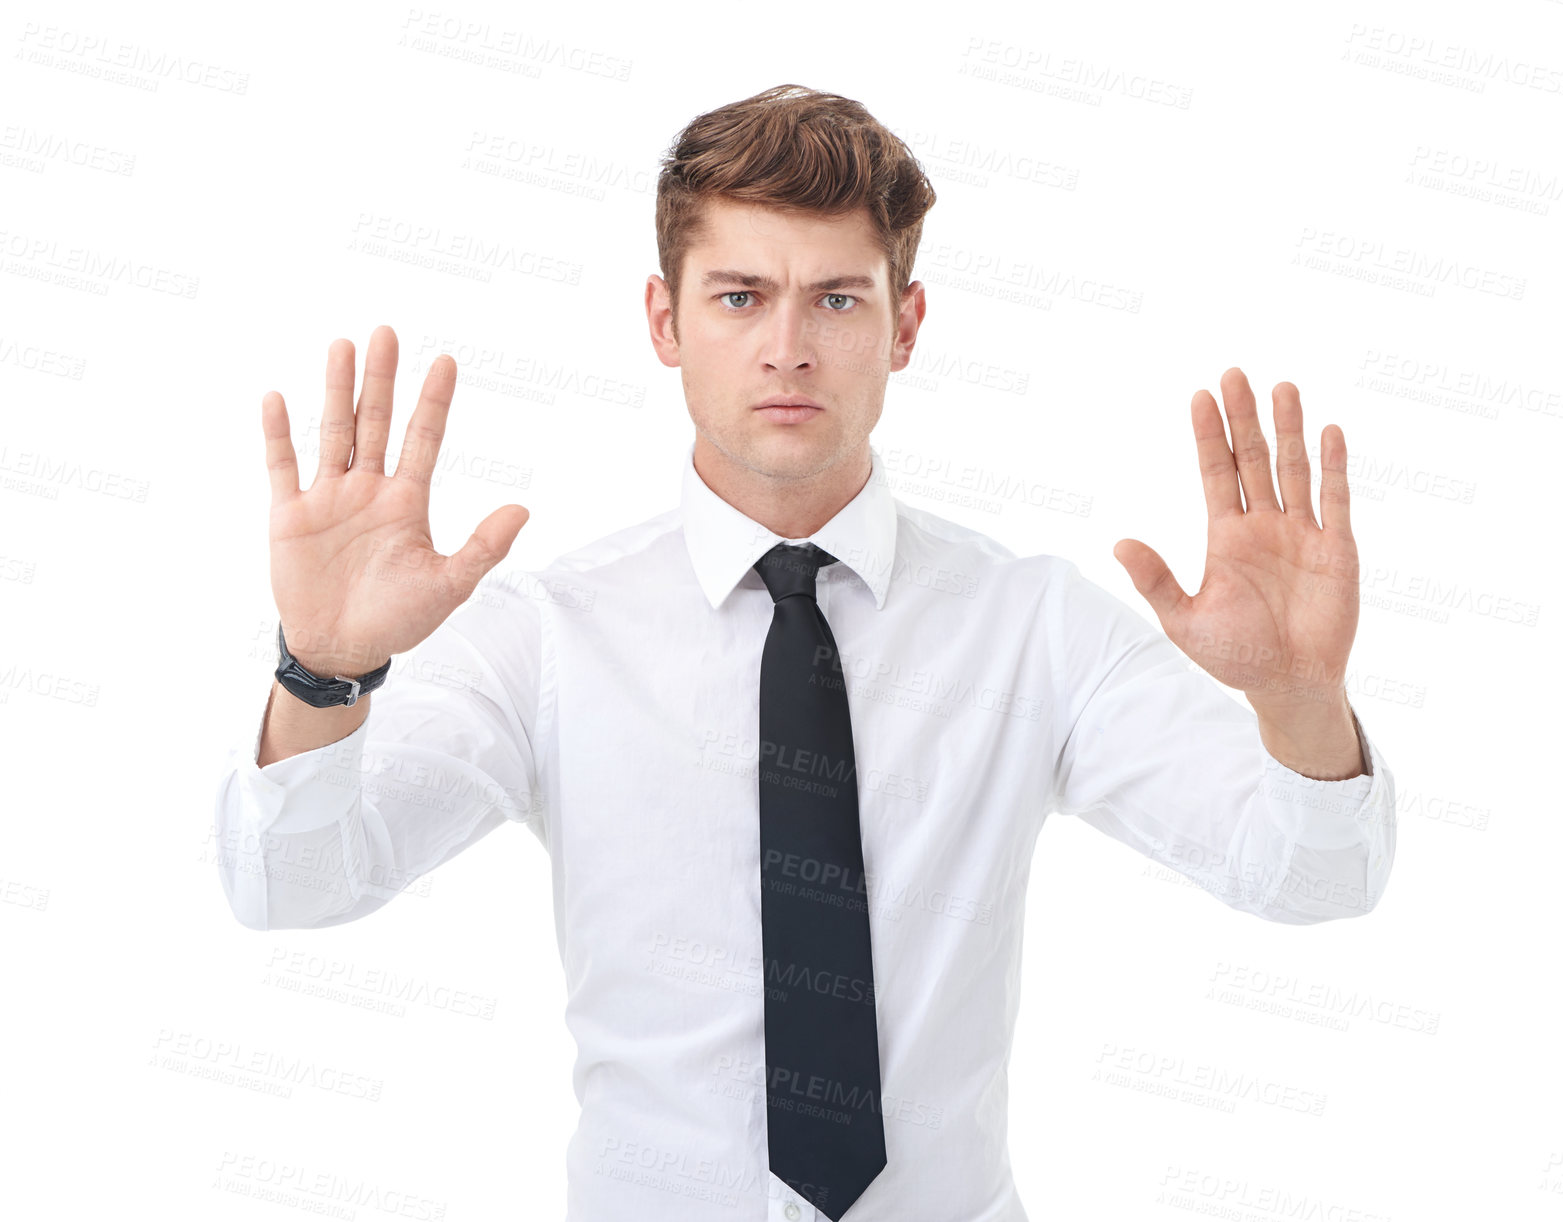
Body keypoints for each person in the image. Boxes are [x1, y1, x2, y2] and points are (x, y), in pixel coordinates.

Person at [214, 83, 1396, 1222]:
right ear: (664, 321)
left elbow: (1314, 878)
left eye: (836, 299)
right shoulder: (547, 634)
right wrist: (321, 674)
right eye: (739, 297)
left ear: (906, 325)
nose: (788, 348)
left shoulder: (1034, 626)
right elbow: (292, 887)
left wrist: (1302, 703)